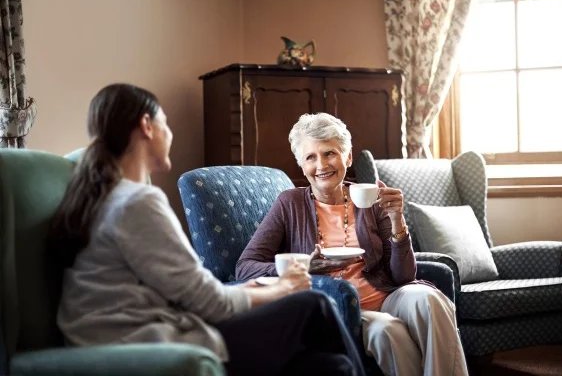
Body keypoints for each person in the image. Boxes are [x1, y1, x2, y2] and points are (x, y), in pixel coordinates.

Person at [49, 84, 366, 376]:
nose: (170, 134)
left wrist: (250, 287)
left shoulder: (101, 195)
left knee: (331, 366)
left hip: (137, 330)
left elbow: (187, 291)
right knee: (315, 304)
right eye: (166, 124)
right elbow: (210, 303)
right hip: (147, 341)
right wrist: (283, 288)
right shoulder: (137, 202)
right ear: (147, 126)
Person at [236, 112, 468, 376]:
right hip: (340, 304)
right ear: (301, 165)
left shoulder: (370, 199)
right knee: (388, 332)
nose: (321, 164)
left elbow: (404, 276)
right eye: (310, 157)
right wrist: (302, 266)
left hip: (387, 294)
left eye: (330, 153)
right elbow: (245, 267)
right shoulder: (289, 204)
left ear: (347, 157)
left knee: (431, 299)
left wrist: (396, 219)